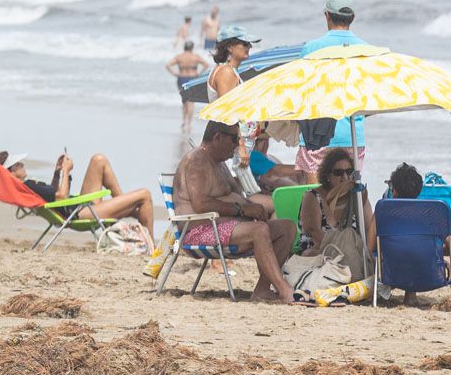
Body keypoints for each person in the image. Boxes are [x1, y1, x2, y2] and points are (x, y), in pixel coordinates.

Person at [175, 121, 296, 303]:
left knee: (287, 227)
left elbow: (239, 196)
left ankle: (262, 289)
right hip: (199, 231)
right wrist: (240, 209)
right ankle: (284, 289)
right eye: (234, 139)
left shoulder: (220, 164)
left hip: (225, 227)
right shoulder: (197, 160)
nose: (237, 145)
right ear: (217, 137)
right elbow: (200, 204)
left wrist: (255, 207)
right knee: (259, 230)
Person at [0, 150, 156, 239]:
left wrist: (58, 173)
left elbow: (52, 197)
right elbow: (61, 197)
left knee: (99, 160)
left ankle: (124, 205)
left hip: (78, 208)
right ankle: (152, 248)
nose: (22, 164)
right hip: (80, 214)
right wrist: (67, 170)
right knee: (145, 194)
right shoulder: (28, 185)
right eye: (17, 164)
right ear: (9, 173)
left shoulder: (26, 187)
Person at [299, 0, 371, 168]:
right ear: (352, 18)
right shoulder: (367, 51)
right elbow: (370, 97)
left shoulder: (311, 48)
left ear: (327, 16)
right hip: (353, 136)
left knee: (316, 193)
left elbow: (300, 90)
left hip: (315, 136)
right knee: (349, 192)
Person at [299, 147, 375, 283]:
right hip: (321, 249)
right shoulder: (313, 197)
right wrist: (340, 250)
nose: (344, 177)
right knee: (313, 254)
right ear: (327, 176)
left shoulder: (358, 197)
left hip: (352, 251)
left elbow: (370, 229)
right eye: (338, 173)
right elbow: (313, 232)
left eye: (348, 172)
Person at [385, 163, 451, 305]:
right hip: (430, 274)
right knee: (415, 250)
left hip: (391, 275)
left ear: (394, 191)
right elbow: (449, 243)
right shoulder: (433, 213)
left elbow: (370, 247)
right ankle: (411, 296)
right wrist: (441, 256)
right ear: (419, 190)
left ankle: (410, 295)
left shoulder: (383, 212)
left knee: (403, 250)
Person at [207, 26, 260, 100]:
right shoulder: (225, 72)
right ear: (230, 47)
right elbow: (227, 108)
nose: (250, 46)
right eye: (245, 44)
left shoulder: (226, 69)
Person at [167, 40, 209, 125]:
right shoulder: (195, 57)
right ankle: (189, 123)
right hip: (192, 79)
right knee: (191, 102)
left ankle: (184, 120)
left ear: (184, 47)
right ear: (192, 48)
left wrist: (175, 73)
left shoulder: (179, 57)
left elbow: (168, 65)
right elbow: (206, 64)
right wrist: (199, 73)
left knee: (184, 100)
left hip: (181, 78)